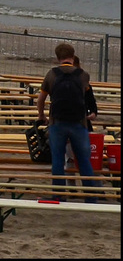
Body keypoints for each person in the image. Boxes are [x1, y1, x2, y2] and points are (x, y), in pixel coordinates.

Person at [37, 43, 100, 196]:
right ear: (73, 56)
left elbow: (41, 99)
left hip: (57, 122)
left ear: (57, 57)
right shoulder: (83, 75)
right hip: (79, 123)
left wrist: (42, 116)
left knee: (58, 159)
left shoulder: (51, 74)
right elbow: (87, 96)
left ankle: (58, 194)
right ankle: (90, 197)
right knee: (83, 160)